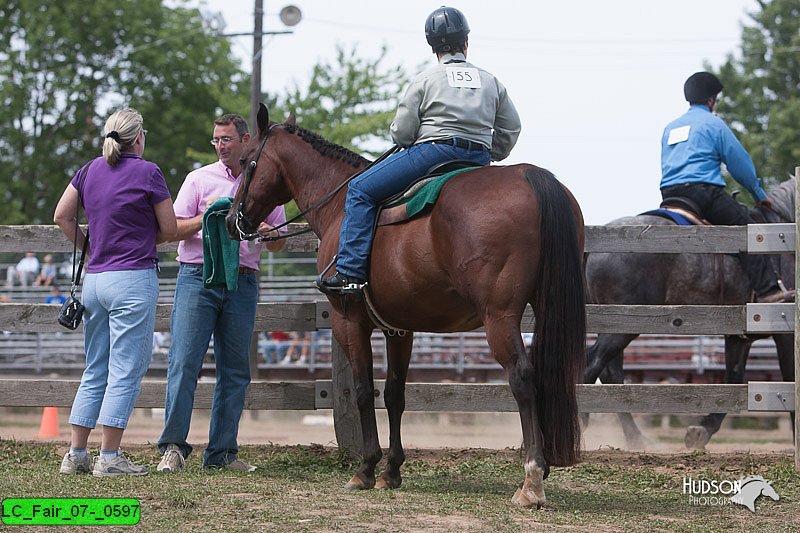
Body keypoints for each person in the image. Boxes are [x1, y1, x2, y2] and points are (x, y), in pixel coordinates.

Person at [319, 6, 521, 294]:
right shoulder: (490, 81)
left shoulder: (426, 80)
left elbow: (402, 133)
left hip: (433, 154)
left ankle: (350, 272)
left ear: (433, 47)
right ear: (466, 41)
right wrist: (493, 153)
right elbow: (511, 128)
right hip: (477, 157)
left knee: (360, 189)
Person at [156, 113, 286, 473]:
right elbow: (172, 230)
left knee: (236, 370)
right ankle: (173, 448)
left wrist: (268, 233)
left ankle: (222, 453)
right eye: (216, 140)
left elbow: (275, 243)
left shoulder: (265, 183)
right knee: (183, 363)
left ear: (245, 140)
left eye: (226, 139)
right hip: (198, 277)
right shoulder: (198, 179)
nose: (220, 146)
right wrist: (210, 216)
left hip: (242, 279)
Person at [53, 108, 177, 477]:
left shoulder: (89, 170)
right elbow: (168, 229)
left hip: (95, 279)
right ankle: (109, 457)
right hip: (132, 279)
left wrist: (91, 248)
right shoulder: (148, 172)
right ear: (139, 138)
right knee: (125, 368)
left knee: (95, 367)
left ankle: (76, 454)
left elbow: (62, 215)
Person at [660, 71, 792, 304]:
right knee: (749, 229)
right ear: (711, 100)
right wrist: (758, 194)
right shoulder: (714, 124)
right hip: (703, 193)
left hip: (670, 195)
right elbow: (740, 166)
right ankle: (767, 290)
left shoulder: (670, 128)